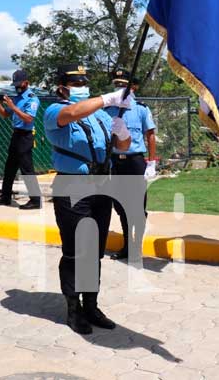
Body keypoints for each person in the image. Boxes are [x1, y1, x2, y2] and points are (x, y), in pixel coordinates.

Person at [43, 63, 133, 335]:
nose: (82, 87)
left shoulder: (102, 117)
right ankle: (73, 309)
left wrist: (122, 130)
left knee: (94, 250)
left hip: (101, 186)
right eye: (76, 83)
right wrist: (108, 99)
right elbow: (72, 112)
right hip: (73, 187)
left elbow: (123, 147)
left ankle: (91, 305)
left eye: (84, 82)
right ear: (62, 87)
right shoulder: (55, 110)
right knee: (75, 251)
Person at [105, 68, 157, 261]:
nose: (119, 88)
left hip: (135, 162)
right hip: (115, 162)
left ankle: (136, 247)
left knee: (136, 207)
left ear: (132, 87)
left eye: (123, 85)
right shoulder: (107, 109)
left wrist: (151, 162)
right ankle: (127, 245)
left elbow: (150, 135)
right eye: (116, 85)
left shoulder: (141, 109)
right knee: (119, 206)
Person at [0, 69, 42, 210]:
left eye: (20, 83)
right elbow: (6, 114)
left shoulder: (32, 98)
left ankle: (36, 200)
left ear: (26, 82)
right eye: (16, 84)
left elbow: (29, 118)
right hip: (16, 135)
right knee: (9, 168)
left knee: (27, 170)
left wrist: (13, 106)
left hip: (25, 136)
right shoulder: (17, 98)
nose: (17, 86)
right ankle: (5, 196)